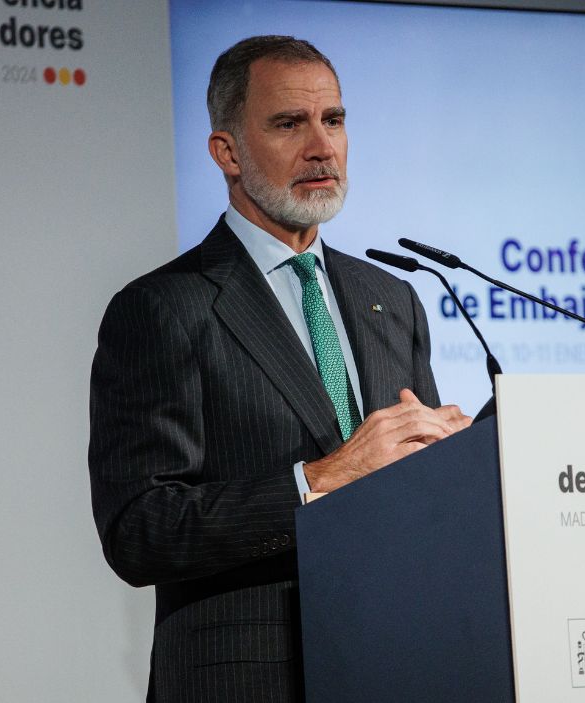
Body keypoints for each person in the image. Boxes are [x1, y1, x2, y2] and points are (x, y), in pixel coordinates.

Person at [88, 35, 470, 702]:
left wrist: (454, 468)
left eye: (335, 120)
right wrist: (320, 478)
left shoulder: (392, 299)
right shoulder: (164, 309)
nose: (322, 146)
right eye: (290, 123)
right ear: (227, 151)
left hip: (396, 664)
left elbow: (414, 505)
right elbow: (138, 528)